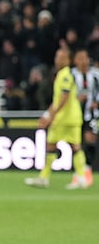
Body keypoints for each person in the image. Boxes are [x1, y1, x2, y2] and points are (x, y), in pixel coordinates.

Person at [26, 46, 87, 189]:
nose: (58, 60)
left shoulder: (65, 75)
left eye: (61, 58)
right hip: (73, 117)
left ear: (68, 60)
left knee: (52, 146)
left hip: (64, 118)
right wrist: (47, 114)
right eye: (57, 57)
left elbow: (64, 97)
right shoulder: (64, 74)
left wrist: (51, 115)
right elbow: (58, 99)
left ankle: (44, 178)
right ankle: (81, 178)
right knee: (75, 147)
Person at [71, 48, 98, 187]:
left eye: (85, 58)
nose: (83, 61)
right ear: (75, 60)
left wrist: (96, 102)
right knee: (76, 145)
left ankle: (87, 170)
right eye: (80, 58)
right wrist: (75, 99)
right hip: (73, 116)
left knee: (90, 142)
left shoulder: (95, 75)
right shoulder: (71, 75)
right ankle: (79, 173)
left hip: (91, 115)